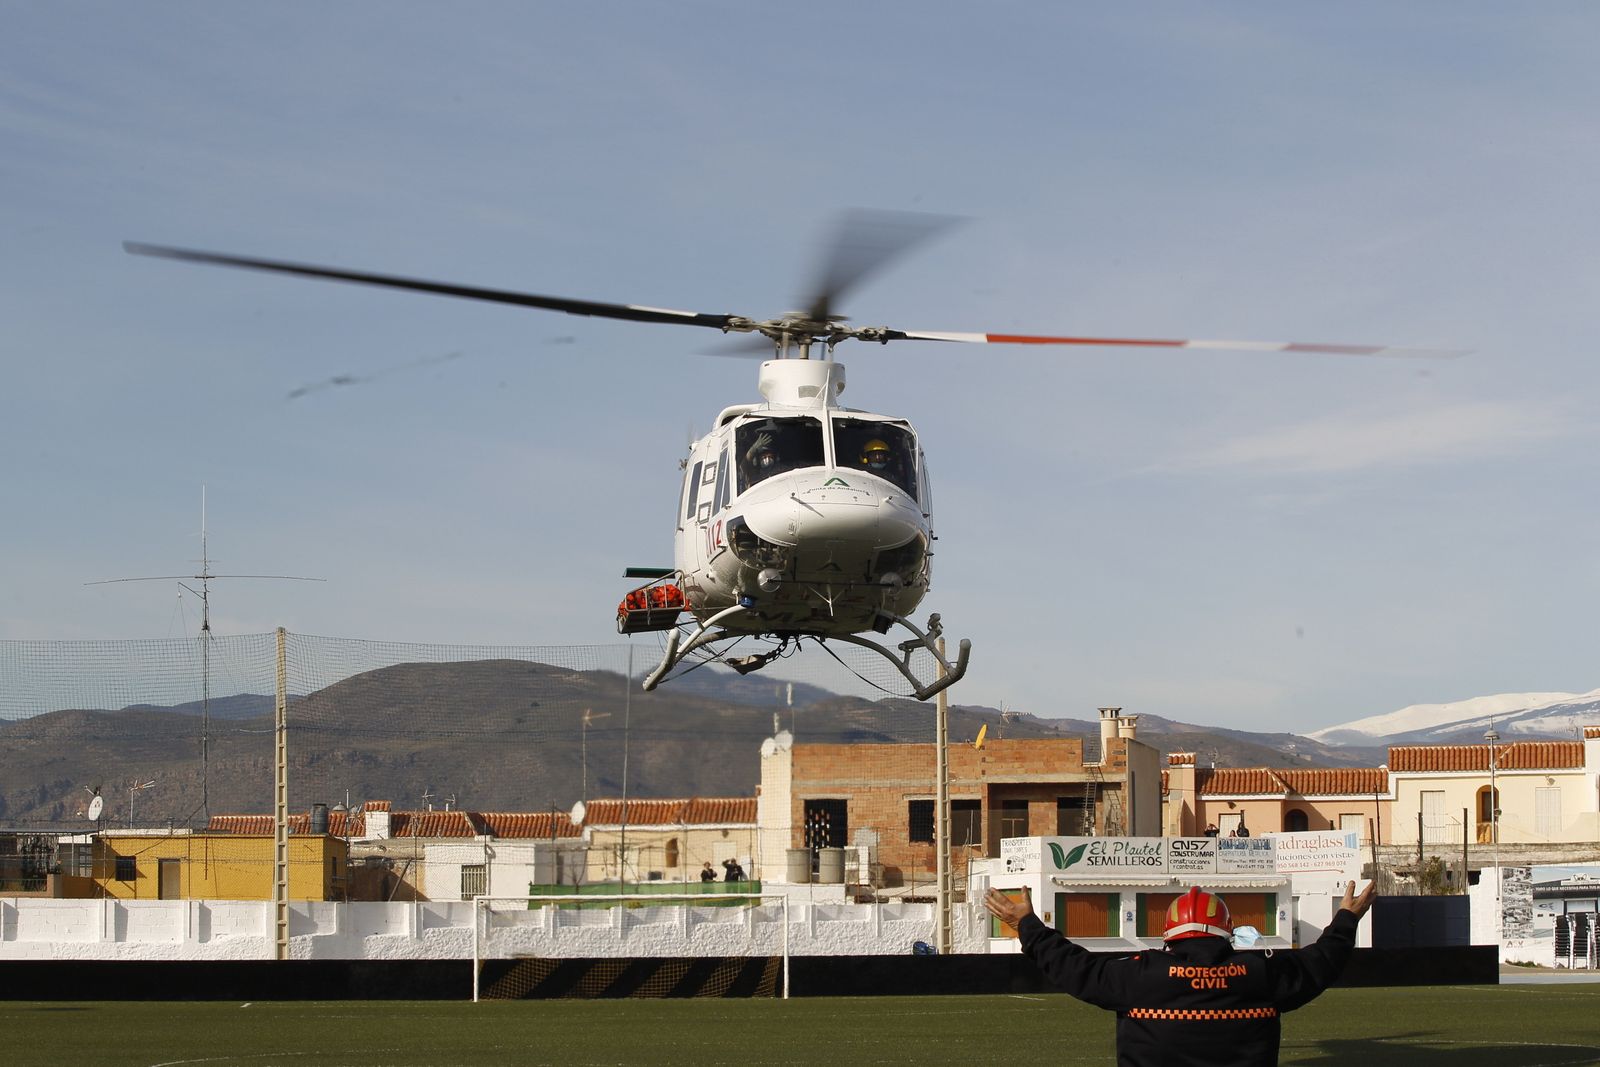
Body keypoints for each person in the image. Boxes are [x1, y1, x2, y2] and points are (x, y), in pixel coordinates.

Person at [985, 880, 1376, 1067]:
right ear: (1227, 931)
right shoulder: (1262, 973)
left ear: (1169, 934)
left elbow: (1075, 967)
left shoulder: (1141, 975)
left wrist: (1028, 927)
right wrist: (1345, 919)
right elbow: (1322, 962)